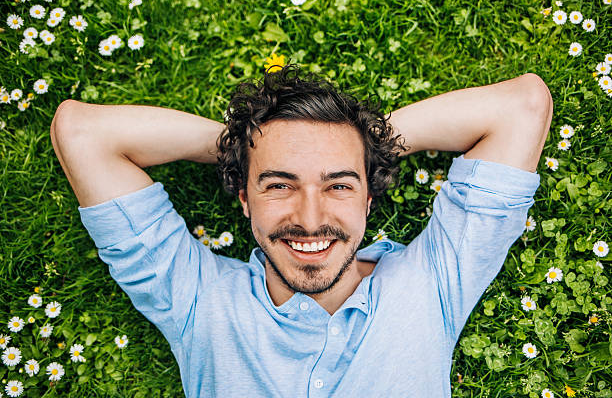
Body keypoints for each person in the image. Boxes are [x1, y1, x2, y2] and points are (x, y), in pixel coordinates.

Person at [50, 63, 552, 397]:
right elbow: (83, 133)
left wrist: (366, 142)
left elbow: (521, 107)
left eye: (338, 186)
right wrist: (245, 147)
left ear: (369, 200)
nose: (310, 220)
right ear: (244, 199)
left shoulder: (434, 283)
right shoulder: (198, 299)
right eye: (278, 185)